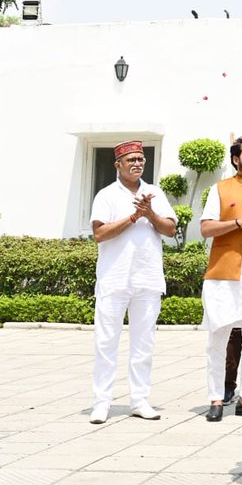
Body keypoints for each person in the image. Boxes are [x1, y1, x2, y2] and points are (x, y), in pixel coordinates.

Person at [89, 140, 177, 424]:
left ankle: (140, 400)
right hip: (114, 280)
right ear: (118, 165)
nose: (138, 163)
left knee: (143, 344)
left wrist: (149, 214)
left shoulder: (154, 192)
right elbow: (100, 233)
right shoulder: (106, 195)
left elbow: (170, 228)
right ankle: (102, 402)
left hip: (147, 278)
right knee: (106, 342)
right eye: (131, 160)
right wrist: (133, 216)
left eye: (141, 159)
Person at [200, 135, 242, 422]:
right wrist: (239, 222)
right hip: (223, 275)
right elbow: (207, 228)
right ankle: (216, 398)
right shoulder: (220, 189)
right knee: (218, 339)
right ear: (236, 159)